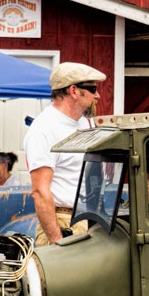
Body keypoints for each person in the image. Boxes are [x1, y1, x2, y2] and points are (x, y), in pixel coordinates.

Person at [24, 62, 106, 246]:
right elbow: (39, 191)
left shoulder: (84, 123)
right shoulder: (44, 129)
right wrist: (57, 241)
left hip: (85, 218)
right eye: (93, 89)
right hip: (61, 221)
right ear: (74, 91)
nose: (98, 95)